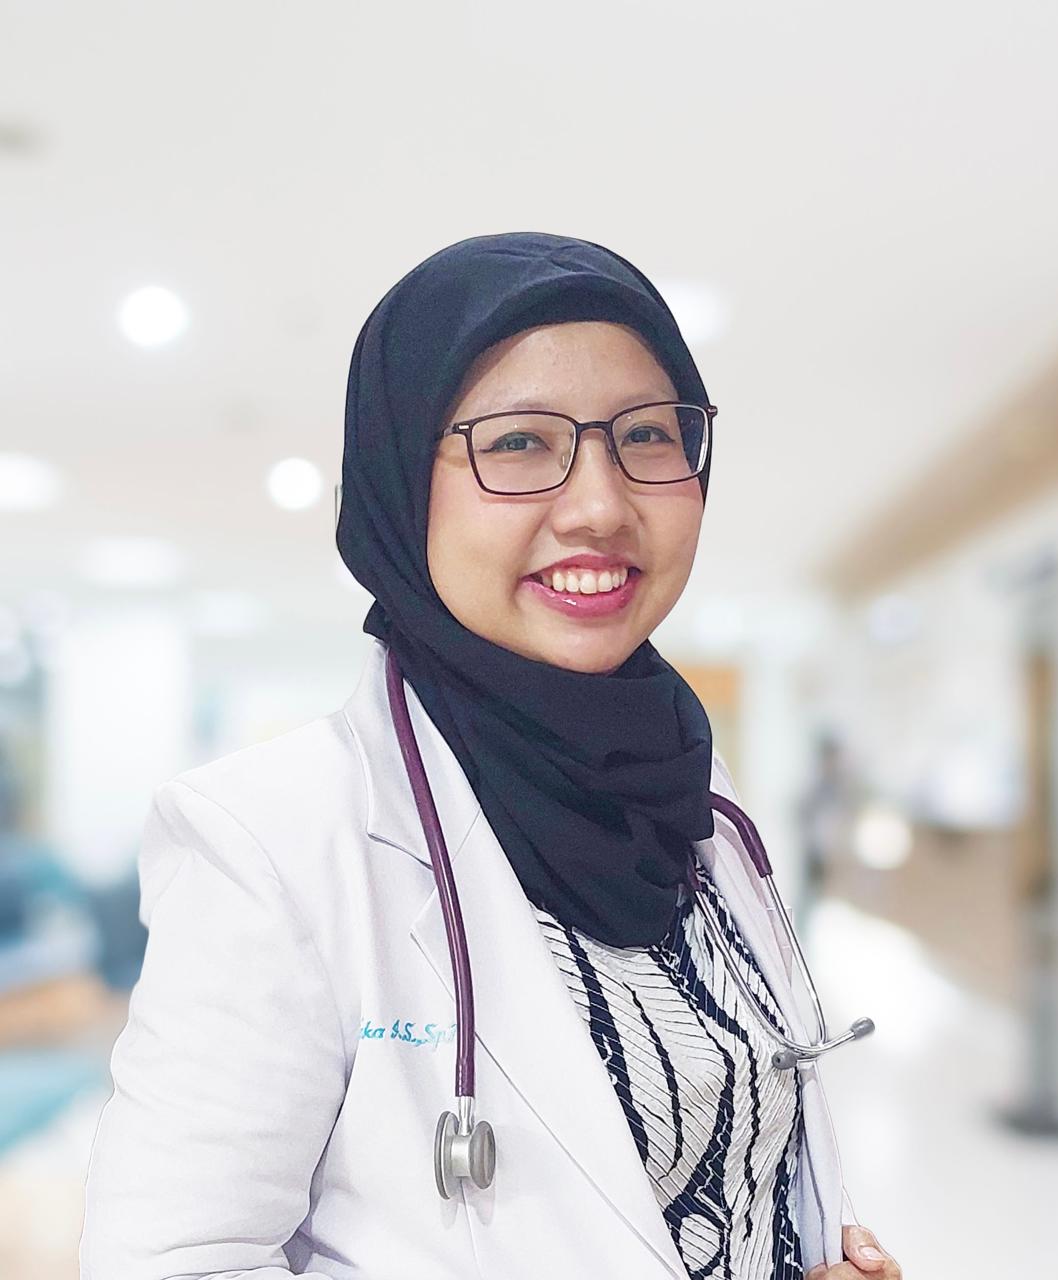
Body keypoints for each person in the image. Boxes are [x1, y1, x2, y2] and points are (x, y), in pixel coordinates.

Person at [79, 232, 901, 1280]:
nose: (600, 505)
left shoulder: (684, 783)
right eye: (517, 442)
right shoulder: (270, 842)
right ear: (398, 480)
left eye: (647, 434)